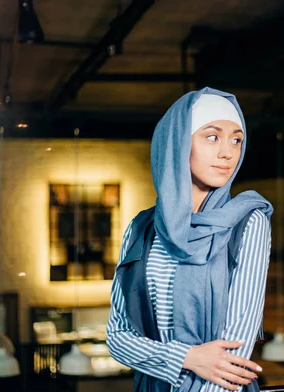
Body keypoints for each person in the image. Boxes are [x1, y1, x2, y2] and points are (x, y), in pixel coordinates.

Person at [106, 87, 273, 392]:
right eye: (212, 136)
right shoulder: (141, 228)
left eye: (237, 139)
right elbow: (118, 339)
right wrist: (188, 357)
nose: (228, 152)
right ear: (178, 141)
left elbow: (234, 354)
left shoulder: (248, 221)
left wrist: (162, 358)